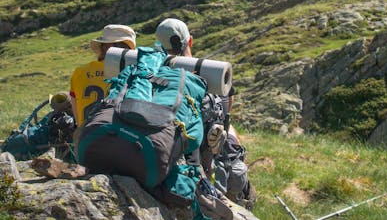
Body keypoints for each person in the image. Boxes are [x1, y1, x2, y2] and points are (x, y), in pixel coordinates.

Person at [155, 18, 256, 210]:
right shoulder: (214, 73)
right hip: (215, 169)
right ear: (190, 41)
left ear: (159, 47)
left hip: (173, 171)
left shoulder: (157, 76)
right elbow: (227, 112)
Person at [70, 24, 136, 126]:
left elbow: (75, 109)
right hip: (119, 136)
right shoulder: (133, 73)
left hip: (85, 136)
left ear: (103, 47)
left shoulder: (80, 72)